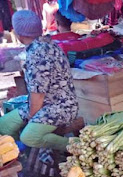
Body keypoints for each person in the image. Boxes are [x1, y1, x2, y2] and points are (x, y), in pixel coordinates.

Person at [0, 10, 78, 152]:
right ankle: (20, 152)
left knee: (29, 136)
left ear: (19, 34)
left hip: (60, 107)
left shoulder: (37, 54)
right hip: (47, 103)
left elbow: (38, 94)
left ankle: (76, 146)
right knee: (3, 124)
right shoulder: (47, 44)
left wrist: (31, 118)